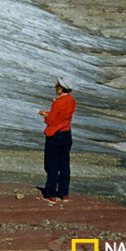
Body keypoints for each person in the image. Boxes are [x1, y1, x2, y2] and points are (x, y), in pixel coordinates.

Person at [39, 76, 76, 204]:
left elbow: (52, 120)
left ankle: (50, 194)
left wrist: (45, 115)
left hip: (55, 135)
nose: (55, 88)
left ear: (61, 89)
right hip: (67, 133)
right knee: (64, 164)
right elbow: (63, 117)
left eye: (57, 86)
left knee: (52, 164)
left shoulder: (58, 102)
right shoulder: (72, 100)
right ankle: (64, 193)